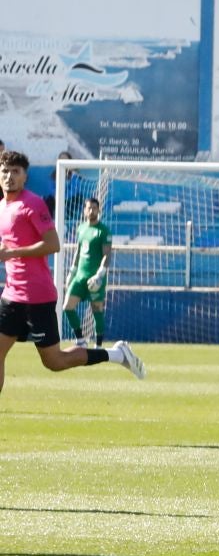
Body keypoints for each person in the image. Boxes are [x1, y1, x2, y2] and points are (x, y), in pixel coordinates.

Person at [1, 150, 143, 397]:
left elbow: (53, 244)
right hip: (11, 295)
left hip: (37, 296)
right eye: (5, 171)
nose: (9, 176)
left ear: (25, 177)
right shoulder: (3, 206)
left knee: (54, 361)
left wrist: (14, 253)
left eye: (15, 171)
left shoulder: (33, 204)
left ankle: (117, 354)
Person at [61, 195, 113, 343]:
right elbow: (78, 251)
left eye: (94, 208)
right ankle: (81, 339)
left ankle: (98, 345)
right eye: (89, 208)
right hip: (80, 276)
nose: (91, 211)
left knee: (97, 311)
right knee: (67, 307)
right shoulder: (81, 228)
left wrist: (100, 274)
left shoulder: (103, 231)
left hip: (94, 277)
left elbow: (107, 254)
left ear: (98, 210)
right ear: (85, 210)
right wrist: (72, 270)